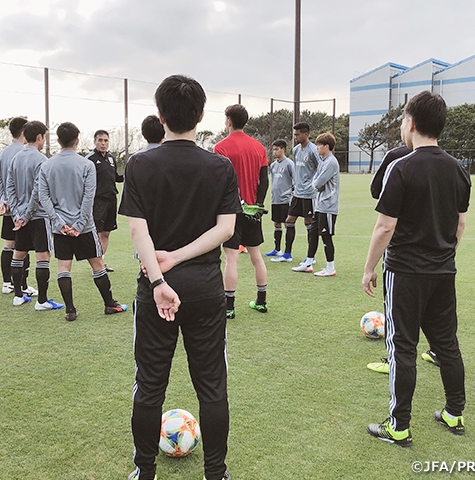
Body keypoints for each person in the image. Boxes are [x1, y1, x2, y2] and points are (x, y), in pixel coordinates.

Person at [119, 74, 238, 480]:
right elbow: (225, 229)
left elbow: (139, 232)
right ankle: (216, 474)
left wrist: (158, 279)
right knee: (212, 387)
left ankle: (144, 472)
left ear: (160, 115)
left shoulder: (139, 163)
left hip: (156, 291)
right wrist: (181, 259)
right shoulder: (219, 165)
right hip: (205, 289)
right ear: (201, 115)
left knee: (150, 385)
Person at [362, 90, 470, 447]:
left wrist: (368, 268)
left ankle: (399, 426)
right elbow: (460, 225)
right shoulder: (458, 169)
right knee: (447, 345)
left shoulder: (401, 166)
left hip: (406, 272)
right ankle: (454, 412)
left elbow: (384, 226)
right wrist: (444, 254)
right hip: (443, 272)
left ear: (410, 123)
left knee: (402, 347)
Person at [36, 122, 127, 321]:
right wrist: (78, 225)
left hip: (60, 228)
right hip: (83, 226)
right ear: (78, 141)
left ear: (58, 141)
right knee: (97, 264)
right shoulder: (86, 164)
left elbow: (44, 198)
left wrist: (59, 223)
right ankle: (109, 304)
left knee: (63, 267)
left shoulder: (46, 165)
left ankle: (70, 310)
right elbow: (89, 198)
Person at [366, 144, 440, 372]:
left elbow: (376, 190)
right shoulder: (444, 159)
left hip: (403, 246)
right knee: (435, 308)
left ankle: (394, 360)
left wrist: (369, 267)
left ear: (410, 122)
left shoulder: (396, 157)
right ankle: (438, 352)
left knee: (397, 304)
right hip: (438, 250)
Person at [214, 104, 269, 318]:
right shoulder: (259, 147)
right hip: (253, 210)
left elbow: (219, 182)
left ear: (228, 121)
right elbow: (264, 180)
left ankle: (229, 307)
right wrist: (258, 205)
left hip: (230, 211)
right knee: (256, 255)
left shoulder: (221, 148)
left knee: (231, 258)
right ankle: (261, 301)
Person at [7, 120, 63, 311]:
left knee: (19, 254)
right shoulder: (42, 160)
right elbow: (39, 192)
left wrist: (17, 214)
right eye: (44, 137)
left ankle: (17, 295)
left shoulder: (15, 158)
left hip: (20, 216)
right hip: (38, 216)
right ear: (39, 137)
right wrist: (28, 214)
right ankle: (42, 301)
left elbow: (10, 188)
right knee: (43, 255)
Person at [0, 116, 36, 297]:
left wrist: (2, 200)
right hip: (21, 208)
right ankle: (23, 285)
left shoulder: (4, 152)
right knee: (22, 246)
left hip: (8, 206)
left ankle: (7, 283)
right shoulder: (24, 152)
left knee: (9, 244)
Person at [85, 130, 124, 271]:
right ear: (95, 141)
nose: (103, 143)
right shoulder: (89, 159)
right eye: (100, 140)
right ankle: (96, 265)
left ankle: (102, 262)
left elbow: (114, 177)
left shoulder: (111, 158)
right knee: (97, 233)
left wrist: (129, 175)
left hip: (111, 199)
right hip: (97, 201)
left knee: (106, 233)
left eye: (105, 140)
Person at [287, 122, 321, 273]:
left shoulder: (314, 150)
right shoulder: (295, 150)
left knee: (309, 222)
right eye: (294, 134)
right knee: (289, 220)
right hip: (297, 193)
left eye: (297, 134)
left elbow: (321, 168)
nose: (295, 137)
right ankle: (287, 253)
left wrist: (314, 185)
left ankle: (310, 257)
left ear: (306, 134)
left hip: (309, 193)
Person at [311, 132, 340, 277]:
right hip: (320, 205)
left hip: (328, 206)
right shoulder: (323, 161)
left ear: (326, 146)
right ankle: (313, 261)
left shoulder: (331, 162)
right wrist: (317, 184)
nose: (317, 148)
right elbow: (315, 180)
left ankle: (331, 268)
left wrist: (317, 184)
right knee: (315, 232)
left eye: (319, 145)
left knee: (326, 236)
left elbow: (317, 183)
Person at [266, 139, 295, 263]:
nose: (275, 152)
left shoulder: (289, 164)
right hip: (275, 199)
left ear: (283, 149)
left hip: (286, 200)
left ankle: (287, 252)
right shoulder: (273, 165)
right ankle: (277, 249)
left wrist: (291, 193)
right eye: (273, 149)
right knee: (276, 223)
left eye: (277, 149)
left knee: (287, 223)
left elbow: (295, 180)